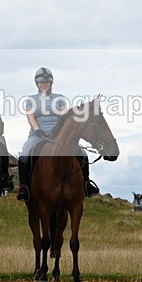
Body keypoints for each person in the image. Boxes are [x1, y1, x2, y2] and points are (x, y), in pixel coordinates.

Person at [16, 67, 98, 201]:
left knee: (81, 152)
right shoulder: (31, 99)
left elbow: (65, 114)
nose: (43, 85)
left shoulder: (59, 98)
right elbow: (30, 117)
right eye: (41, 82)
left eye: (46, 82)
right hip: (38, 134)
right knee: (25, 153)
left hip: (58, 134)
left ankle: (86, 183)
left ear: (51, 83)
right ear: (37, 84)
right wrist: (37, 129)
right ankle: (24, 186)